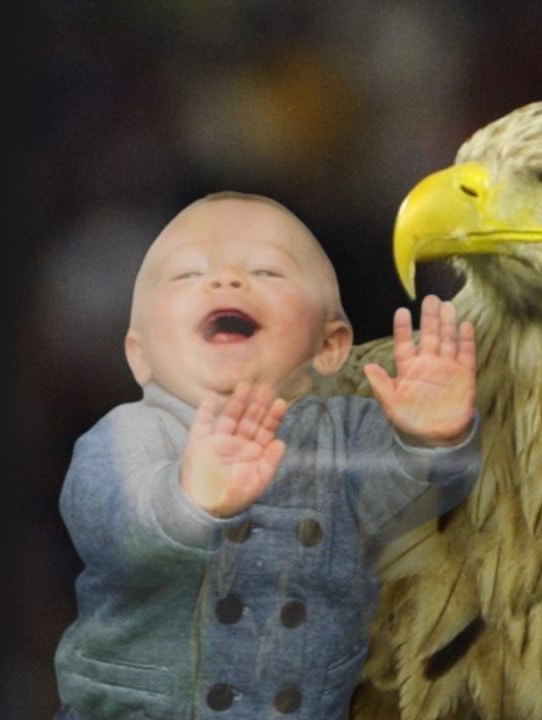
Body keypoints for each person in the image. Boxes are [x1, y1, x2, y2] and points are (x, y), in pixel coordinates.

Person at [53, 192, 481, 719]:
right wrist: (187, 500)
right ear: (141, 356)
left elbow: (419, 498)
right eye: (188, 274)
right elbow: (111, 529)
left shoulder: (344, 435)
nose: (226, 280)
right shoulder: (132, 434)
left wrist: (431, 439)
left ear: (330, 345)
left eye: (266, 270)